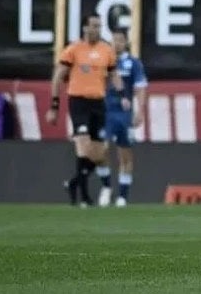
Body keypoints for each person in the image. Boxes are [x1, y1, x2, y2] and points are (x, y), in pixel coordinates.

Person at [46, 13, 126, 207]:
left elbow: (114, 74)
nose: (97, 30)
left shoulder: (106, 50)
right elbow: (58, 77)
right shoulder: (73, 49)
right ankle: (84, 196)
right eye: (94, 26)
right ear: (85, 28)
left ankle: (73, 183)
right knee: (83, 146)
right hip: (79, 102)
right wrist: (54, 105)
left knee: (100, 153)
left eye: (99, 26)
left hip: (98, 103)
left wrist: (123, 95)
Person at [96, 29, 148, 208]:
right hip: (105, 112)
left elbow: (140, 88)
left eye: (120, 40)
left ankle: (123, 196)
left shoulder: (133, 63)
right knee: (100, 151)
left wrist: (140, 111)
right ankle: (107, 186)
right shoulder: (103, 60)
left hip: (124, 114)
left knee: (125, 154)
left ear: (126, 43)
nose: (116, 43)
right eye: (114, 40)